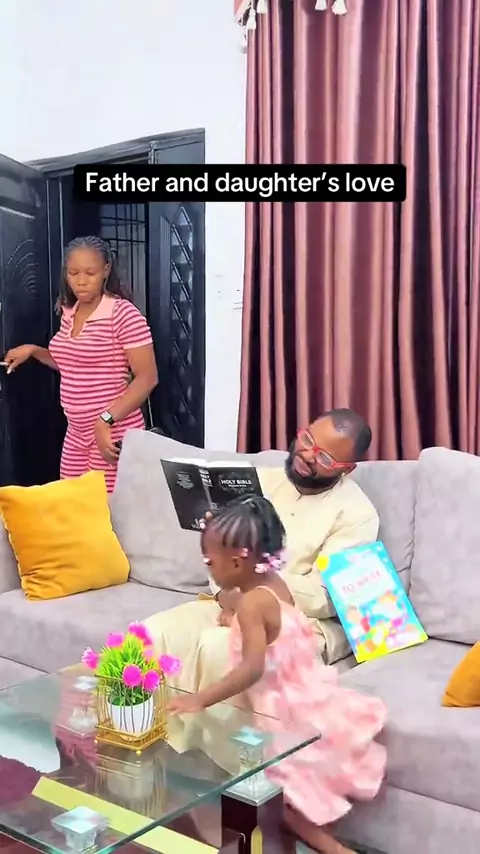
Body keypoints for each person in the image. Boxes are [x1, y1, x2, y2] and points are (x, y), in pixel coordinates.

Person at [168, 495, 387, 854]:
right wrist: (235, 614)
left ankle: (336, 850)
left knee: (272, 793)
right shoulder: (272, 584)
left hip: (279, 708)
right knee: (286, 799)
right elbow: (264, 620)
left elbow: (252, 667)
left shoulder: (253, 605)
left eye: (210, 561)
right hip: (306, 689)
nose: (207, 568)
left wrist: (200, 699)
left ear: (237, 562)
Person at [145, 408, 379, 687]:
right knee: (150, 635)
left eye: (325, 458)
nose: (307, 455)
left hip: (300, 622)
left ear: (346, 469)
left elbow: (326, 596)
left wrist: (250, 599)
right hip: (228, 599)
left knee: (220, 651)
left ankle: (194, 716)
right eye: (307, 440)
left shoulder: (357, 514)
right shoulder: (260, 481)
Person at [4, 235, 158, 492]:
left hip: (112, 433)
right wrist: (33, 351)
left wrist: (105, 420)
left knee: (107, 508)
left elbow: (147, 378)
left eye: (90, 272)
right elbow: (72, 364)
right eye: (73, 273)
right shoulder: (70, 312)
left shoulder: (123, 314)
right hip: (76, 434)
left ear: (105, 270)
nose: (81, 281)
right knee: (72, 501)